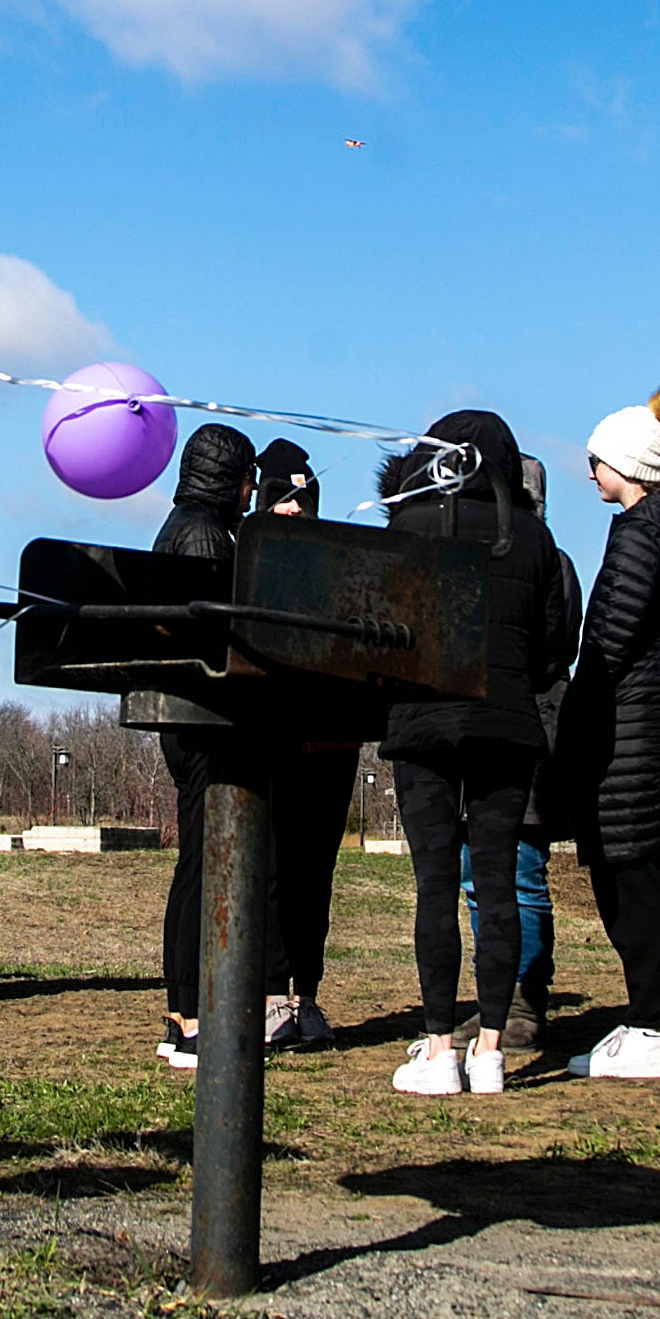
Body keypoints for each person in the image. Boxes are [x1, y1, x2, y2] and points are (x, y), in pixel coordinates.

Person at [377, 413, 575, 1097]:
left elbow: (376, 631)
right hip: (508, 725)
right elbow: (556, 646)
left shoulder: (405, 531)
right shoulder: (537, 539)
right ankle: (490, 1049)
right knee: (497, 888)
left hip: (422, 723)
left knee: (435, 887)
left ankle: (439, 1050)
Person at [549, 387, 660, 1082]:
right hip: (648, 715)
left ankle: (648, 1023)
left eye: (596, 462)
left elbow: (613, 636)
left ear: (626, 464)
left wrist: (577, 706)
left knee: (628, 871)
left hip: (630, 723)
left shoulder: (643, 533)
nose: (589, 474)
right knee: (630, 866)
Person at [460, 455, 581, 1052]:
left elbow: (554, 650)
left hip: (530, 732)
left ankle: (526, 1002)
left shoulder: (550, 563)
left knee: (522, 877)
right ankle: (494, 1003)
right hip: (478, 730)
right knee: (478, 879)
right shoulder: (482, 556)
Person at [152, 423, 256, 1069]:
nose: (250, 492)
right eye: (245, 477)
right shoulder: (204, 535)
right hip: (199, 718)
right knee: (197, 865)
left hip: (183, 717)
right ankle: (187, 1014)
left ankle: (182, 1012)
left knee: (194, 862)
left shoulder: (184, 526)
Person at [258, 441, 357, 1050]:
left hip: (331, 745)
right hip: (269, 745)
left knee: (313, 875)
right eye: (280, 500)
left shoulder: (340, 565)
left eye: (303, 500)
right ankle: (270, 995)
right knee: (268, 869)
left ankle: (306, 994)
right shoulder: (250, 564)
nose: (294, 511)